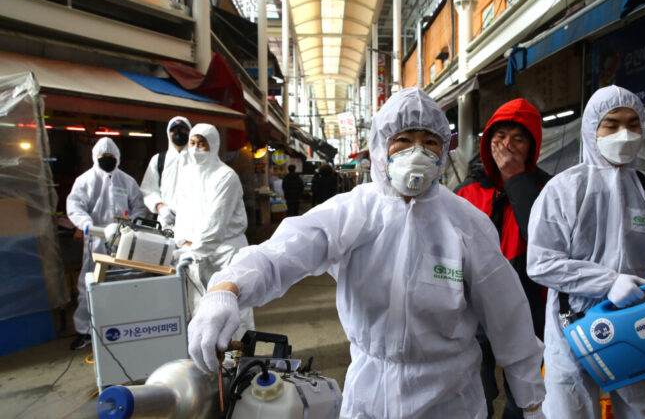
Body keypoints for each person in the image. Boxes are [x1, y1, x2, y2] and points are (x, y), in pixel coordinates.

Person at [187, 88, 546, 418]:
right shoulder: (353, 212)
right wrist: (227, 287)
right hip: (369, 396)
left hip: (449, 399)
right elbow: (284, 251)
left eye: (429, 142)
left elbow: (507, 314)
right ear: (379, 147)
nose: (416, 152)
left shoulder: (466, 223)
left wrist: (531, 398)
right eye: (402, 140)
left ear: (442, 152)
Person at [526, 85, 645, 419]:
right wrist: (607, 282)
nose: (624, 134)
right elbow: (541, 262)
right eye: (611, 124)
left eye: (633, 124)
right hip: (573, 324)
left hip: (639, 319)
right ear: (591, 130)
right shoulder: (563, 190)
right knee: (570, 410)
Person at [456, 98, 550, 418]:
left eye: (518, 138)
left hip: (528, 312)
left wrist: (515, 179)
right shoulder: (467, 192)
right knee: (474, 392)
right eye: (499, 136)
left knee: (523, 398)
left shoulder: (547, 190)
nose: (507, 145)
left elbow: (542, 237)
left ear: (532, 146)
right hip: (471, 316)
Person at [172, 123, 254, 338]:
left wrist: (194, 250)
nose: (196, 149)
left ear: (214, 145)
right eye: (192, 143)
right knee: (201, 311)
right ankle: (209, 365)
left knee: (233, 313)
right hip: (196, 255)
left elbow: (215, 224)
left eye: (202, 144)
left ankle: (235, 365)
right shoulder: (187, 175)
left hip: (225, 253)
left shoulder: (225, 177)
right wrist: (182, 242)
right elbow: (182, 213)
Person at [66, 137, 147, 349]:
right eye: (103, 157)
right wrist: (85, 224)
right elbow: (75, 206)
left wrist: (131, 226)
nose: (107, 161)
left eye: (111, 157)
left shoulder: (127, 181)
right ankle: (85, 331)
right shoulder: (85, 181)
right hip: (96, 240)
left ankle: (123, 326)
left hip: (123, 240)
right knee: (89, 284)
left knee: (124, 280)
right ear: (95, 158)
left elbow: (138, 206)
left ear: (117, 158)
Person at [140, 116, 192, 227]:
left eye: (182, 130)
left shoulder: (197, 160)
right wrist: (160, 207)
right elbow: (148, 189)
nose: (178, 133)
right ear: (169, 133)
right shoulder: (159, 160)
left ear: (189, 132)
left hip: (191, 223)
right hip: (164, 222)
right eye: (174, 130)